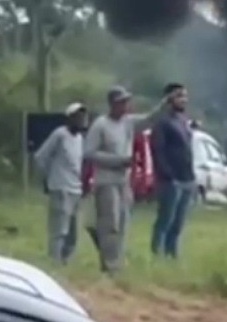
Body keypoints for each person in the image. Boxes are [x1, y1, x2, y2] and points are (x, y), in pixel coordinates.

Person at [84, 86, 165, 273]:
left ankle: (117, 261)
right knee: (109, 222)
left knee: (123, 222)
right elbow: (88, 153)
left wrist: (164, 105)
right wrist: (117, 161)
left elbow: (149, 120)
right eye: (122, 102)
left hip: (123, 180)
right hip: (106, 180)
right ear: (113, 104)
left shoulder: (128, 123)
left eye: (127, 102)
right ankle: (110, 264)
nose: (126, 106)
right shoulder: (101, 124)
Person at [33, 103, 88, 264]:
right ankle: (54, 262)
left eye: (83, 116)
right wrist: (47, 179)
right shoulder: (60, 134)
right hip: (60, 187)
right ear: (69, 118)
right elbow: (40, 157)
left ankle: (65, 261)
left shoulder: (80, 139)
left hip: (76, 189)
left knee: (73, 232)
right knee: (59, 230)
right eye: (78, 116)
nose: (82, 120)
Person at [150, 83, 195, 259]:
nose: (184, 99)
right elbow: (158, 150)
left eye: (185, 95)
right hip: (171, 180)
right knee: (165, 220)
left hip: (187, 178)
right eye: (179, 96)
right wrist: (167, 174)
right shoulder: (162, 122)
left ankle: (172, 254)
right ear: (169, 98)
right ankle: (157, 254)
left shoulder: (183, 120)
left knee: (178, 223)